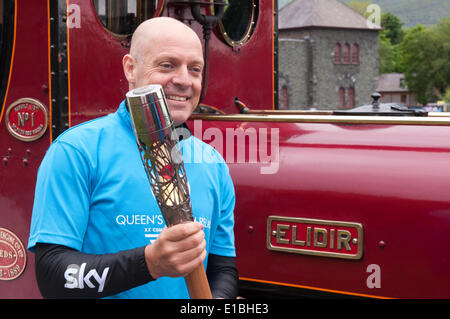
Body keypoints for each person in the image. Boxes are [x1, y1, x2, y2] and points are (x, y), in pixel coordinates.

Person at [27, 17, 238, 299]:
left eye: (195, 69)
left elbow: (223, 269)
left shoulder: (212, 162)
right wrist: (149, 263)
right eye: (167, 65)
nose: (184, 80)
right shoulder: (77, 151)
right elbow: (52, 276)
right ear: (130, 68)